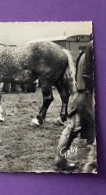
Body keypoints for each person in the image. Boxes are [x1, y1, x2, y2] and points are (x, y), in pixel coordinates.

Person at [55, 40, 96, 172]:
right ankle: (90, 168)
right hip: (88, 95)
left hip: (81, 94)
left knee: (71, 128)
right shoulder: (95, 45)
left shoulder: (86, 51)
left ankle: (60, 159)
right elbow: (88, 75)